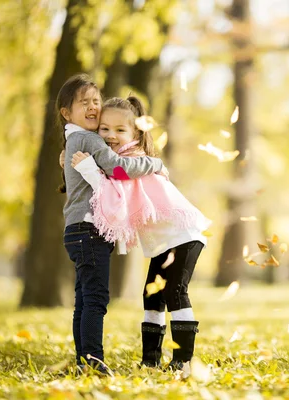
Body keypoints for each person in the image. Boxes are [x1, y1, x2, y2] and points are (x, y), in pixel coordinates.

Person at [70, 95, 210, 370]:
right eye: (104, 129)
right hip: (163, 243)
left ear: (135, 134)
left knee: (175, 291)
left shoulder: (133, 161)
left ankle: (183, 360)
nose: (111, 136)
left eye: (120, 130)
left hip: (183, 236)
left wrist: (89, 170)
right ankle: (150, 360)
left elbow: (115, 193)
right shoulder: (118, 160)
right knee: (152, 296)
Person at [57, 74, 166, 373]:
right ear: (67, 113)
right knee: (95, 299)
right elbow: (119, 168)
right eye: (84, 103)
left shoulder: (75, 139)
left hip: (77, 229)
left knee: (84, 299)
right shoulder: (88, 139)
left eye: (95, 100)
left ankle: (84, 360)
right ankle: (92, 361)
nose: (93, 107)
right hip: (89, 229)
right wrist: (155, 163)